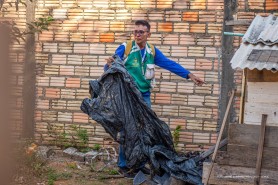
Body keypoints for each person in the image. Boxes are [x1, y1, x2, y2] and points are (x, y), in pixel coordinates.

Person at [104, 20, 205, 178]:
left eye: (141, 32)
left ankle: (140, 165)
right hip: (128, 96)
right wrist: (108, 64)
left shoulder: (151, 50)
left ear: (148, 34)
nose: (137, 34)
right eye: (135, 31)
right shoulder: (126, 47)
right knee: (127, 130)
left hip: (144, 95)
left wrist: (189, 75)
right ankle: (123, 165)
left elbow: (169, 64)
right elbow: (110, 66)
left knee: (146, 130)